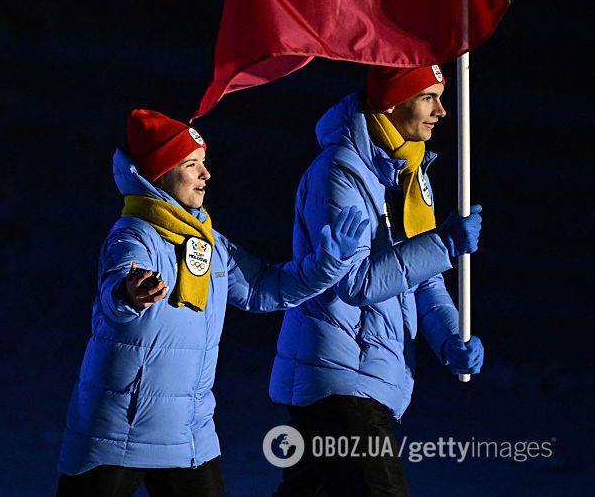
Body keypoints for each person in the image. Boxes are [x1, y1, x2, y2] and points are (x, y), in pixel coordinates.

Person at [56, 109, 369, 497]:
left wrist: (327, 264)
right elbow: (115, 290)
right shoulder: (134, 234)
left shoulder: (207, 241)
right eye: (191, 165)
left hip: (190, 434)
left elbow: (262, 288)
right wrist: (129, 293)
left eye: (204, 164)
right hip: (121, 430)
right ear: (159, 174)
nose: (206, 175)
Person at [270, 65, 485, 496]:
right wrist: (443, 244)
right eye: (428, 97)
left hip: (370, 375)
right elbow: (353, 283)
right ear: (392, 101)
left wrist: (449, 340)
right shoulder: (339, 172)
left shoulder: (409, 172)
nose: (442, 111)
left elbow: (424, 282)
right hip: (338, 376)